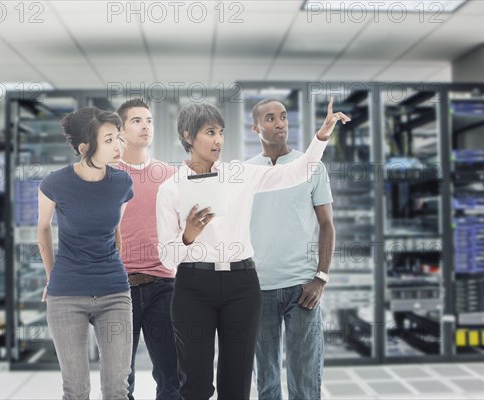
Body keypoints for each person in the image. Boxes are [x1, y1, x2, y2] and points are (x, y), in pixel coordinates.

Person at [156, 98, 349, 399]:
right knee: (195, 384)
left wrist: (321, 136)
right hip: (193, 286)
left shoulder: (239, 175)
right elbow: (166, 258)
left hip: (241, 284)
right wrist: (188, 235)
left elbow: (296, 173)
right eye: (209, 132)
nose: (218, 139)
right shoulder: (169, 190)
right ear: (186, 136)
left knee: (237, 384)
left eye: (220, 132)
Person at [37, 107, 134, 400]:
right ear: (84, 148)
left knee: (117, 386)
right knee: (76, 388)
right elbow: (43, 229)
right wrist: (51, 278)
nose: (117, 146)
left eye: (118, 138)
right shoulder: (54, 183)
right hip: (67, 293)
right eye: (108, 140)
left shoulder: (122, 183)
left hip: (114, 291)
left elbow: (115, 228)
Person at [246, 98, 335, 400]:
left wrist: (321, 277)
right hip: (258, 290)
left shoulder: (312, 167)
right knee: (267, 383)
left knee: (305, 382)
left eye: (283, 116)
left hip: (303, 289)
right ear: (255, 127)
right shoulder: (245, 173)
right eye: (270, 118)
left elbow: (327, 225)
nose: (280, 123)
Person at [115, 98, 180, 400]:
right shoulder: (107, 174)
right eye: (137, 120)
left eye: (149, 120)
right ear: (121, 130)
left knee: (171, 378)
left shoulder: (168, 174)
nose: (145, 126)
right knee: (118, 380)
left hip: (164, 284)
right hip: (117, 288)